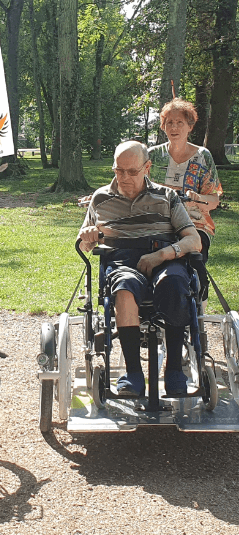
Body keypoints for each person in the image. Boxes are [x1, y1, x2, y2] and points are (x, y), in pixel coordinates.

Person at [78, 141, 201, 398]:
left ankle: (175, 371)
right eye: (118, 170)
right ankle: (133, 373)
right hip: (122, 261)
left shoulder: (167, 197)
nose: (123, 178)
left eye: (131, 172)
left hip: (164, 258)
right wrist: (88, 236)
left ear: (147, 167)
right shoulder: (101, 198)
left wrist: (163, 254)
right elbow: (84, 242)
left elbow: (193, 239)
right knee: (123, 288)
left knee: (176, 283)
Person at [148, 98, 222, 267]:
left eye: (179, 122)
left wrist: (197, 198)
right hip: (158, 222)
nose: (174, 127)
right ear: (163, 126)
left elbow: (214, 200)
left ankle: (198, 287)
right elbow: (134, 186)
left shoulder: (203, 156)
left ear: (190, 126)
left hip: (193, 223)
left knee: (191, 258)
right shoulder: (151, 156)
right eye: (169, 122)